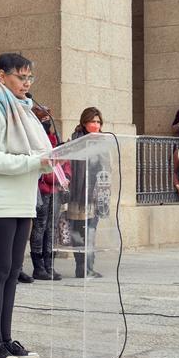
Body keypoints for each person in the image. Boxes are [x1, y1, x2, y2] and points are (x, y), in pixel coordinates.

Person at [0, 53, 52, 358]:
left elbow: (38, 154)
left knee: (13, 272)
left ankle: (6, 337)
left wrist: (48, 163)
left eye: (30, 78)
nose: (27, 83)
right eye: (21, 77)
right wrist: (35, 162)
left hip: (23, 200)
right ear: (2, 77)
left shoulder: (25, 111)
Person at [67, 107, 108, 279]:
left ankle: (89, 267)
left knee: (91, 231)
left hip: (94, 194)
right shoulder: (76, 140)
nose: (96, 125)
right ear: (84, 123)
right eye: (93, 121)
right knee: (77, 232)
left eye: (98, 122)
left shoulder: (102, 142)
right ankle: (80, 267)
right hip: (77, 194)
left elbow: (106, 168)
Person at [29, 95, 65, 281]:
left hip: (55, 189)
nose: (45, 122)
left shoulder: (52, 137)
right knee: (40, 226)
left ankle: (50, 264)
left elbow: (61, 159)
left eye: (47, 119)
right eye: (42, 119)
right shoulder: (34, 138)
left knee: (52, 227)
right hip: (41, 188)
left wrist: (64, 177)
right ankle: (38, 266)